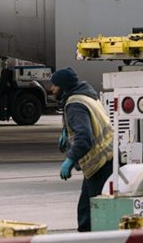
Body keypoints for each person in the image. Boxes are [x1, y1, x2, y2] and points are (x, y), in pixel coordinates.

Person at [50, 67, 114, 232]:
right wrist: (66, 131)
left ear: (64, 87)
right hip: (104, 160)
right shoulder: (86, 95)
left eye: (55, 85)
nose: (51, 89)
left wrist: (70, 159)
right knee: (85, 212)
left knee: (95, 215)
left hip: (100, 163)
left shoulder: (75, 104)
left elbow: (84, 138)